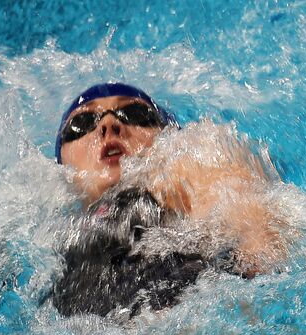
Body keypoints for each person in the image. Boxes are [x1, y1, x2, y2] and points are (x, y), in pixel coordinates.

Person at [51, 83, 287, 318]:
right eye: (82, 123)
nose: (108, 125)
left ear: (169, 136)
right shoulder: (48, 245)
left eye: (135, 114)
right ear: (60, 163)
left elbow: (257, 249)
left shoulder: (193, 170)